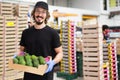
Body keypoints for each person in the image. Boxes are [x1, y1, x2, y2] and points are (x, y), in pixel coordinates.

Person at [19, 1, 63, 80]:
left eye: (43, 12)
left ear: (46, 15)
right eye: (38, 11)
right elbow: (21, 50)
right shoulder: (26, 32)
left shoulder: (53, 33)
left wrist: (53, 62)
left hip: (45, 74)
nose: (40, 15)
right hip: (29, 73)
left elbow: (60, 53)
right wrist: (19, 57)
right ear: (33, 13)